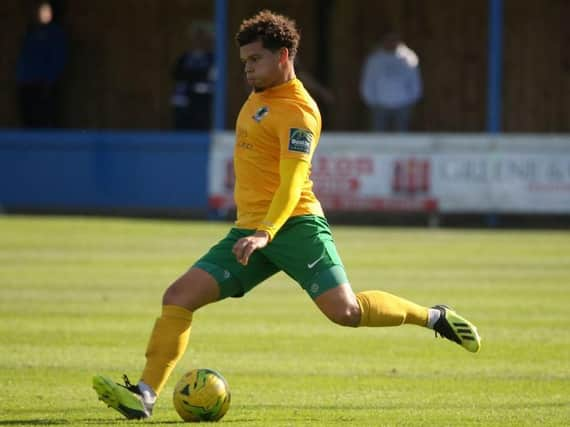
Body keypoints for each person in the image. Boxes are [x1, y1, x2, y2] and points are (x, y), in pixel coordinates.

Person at [93, 10, 480, 420]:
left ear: (283, 56)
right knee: (178, 297)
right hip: (250, 232)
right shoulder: (259, 95)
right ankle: (145, 395)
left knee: (346, 313)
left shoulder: (299, 112)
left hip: (294, 226)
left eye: (255, 60)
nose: (248, 69)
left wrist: (265, 231)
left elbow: (293, 182)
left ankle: (434, 317)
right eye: (244, 62)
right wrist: (255, 230)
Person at [16, 1, 67, 128]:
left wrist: (50, 80)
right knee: (29, 120)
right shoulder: (32, 33)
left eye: (47, 10)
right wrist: (21, 78)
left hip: (44, 83)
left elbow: (58, 59)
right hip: (27, 83)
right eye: (41, 10)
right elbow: (25, 58)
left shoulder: (55, 34)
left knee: (45, 119)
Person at [360, 32, 422, 132]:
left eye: (394, 40)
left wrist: (410, 100)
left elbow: (415, 82)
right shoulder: (374, 59)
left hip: (403, 105)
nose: (391, 42)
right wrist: (371, 101)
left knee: (402, 137)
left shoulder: (409, 57)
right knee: (378, 136)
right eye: (388, 40)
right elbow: (368, 82)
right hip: (379, 105)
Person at [170, 22, 216, 130]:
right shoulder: (184, 58)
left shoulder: (212, 59)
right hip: (183, 103)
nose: (199, 41)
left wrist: (192, 77)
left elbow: (210, 77)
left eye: (202, 37)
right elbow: (176, 75)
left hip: (202, 103)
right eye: (196, 37)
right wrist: (196, 77)